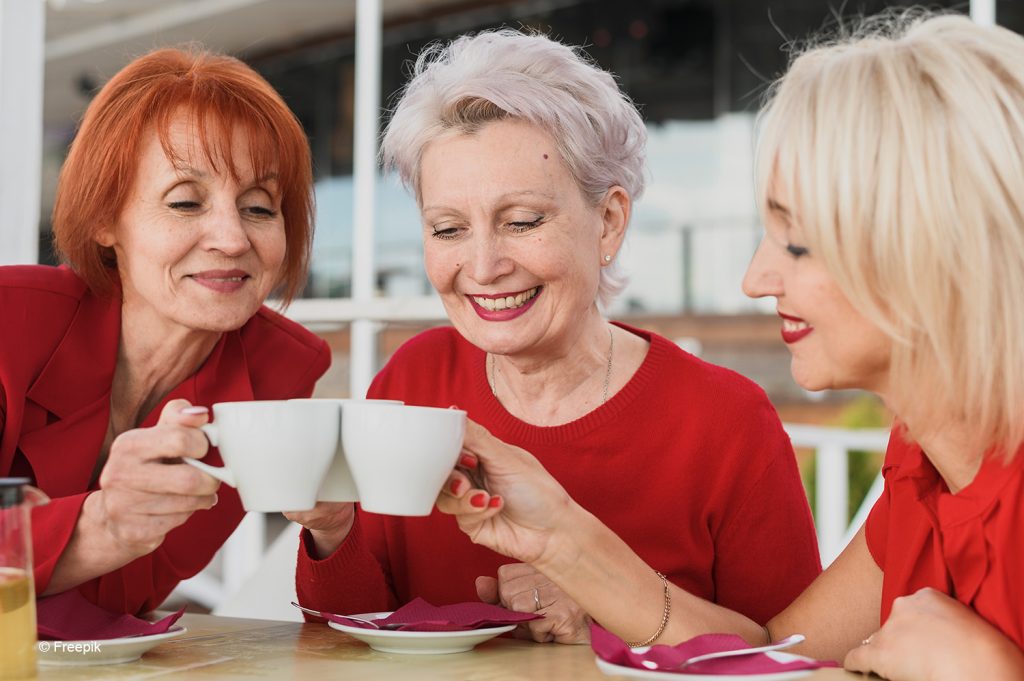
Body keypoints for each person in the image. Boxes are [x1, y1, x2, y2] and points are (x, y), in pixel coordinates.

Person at [435, 11, 1024, 679]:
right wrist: (559, 536)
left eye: (797, 243)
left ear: (937, 252)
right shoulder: (923, 465)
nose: (754, 279)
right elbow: (773, 656)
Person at [289, 29, 820, 644]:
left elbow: (791, 655)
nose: (483, 266)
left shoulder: (726, 421)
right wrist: (331, 530)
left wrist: (608, 607)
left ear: (610, 222)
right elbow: (351, 635)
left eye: (522, 222)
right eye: (448, 229)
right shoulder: (413, 380)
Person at [0, 47, 332, 614]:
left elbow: (125, 600)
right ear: (107, 218)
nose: (231, 239)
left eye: (258, 208)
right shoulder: (11, 319)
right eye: (185, 202)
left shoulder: (278, 367)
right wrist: (102, 523)